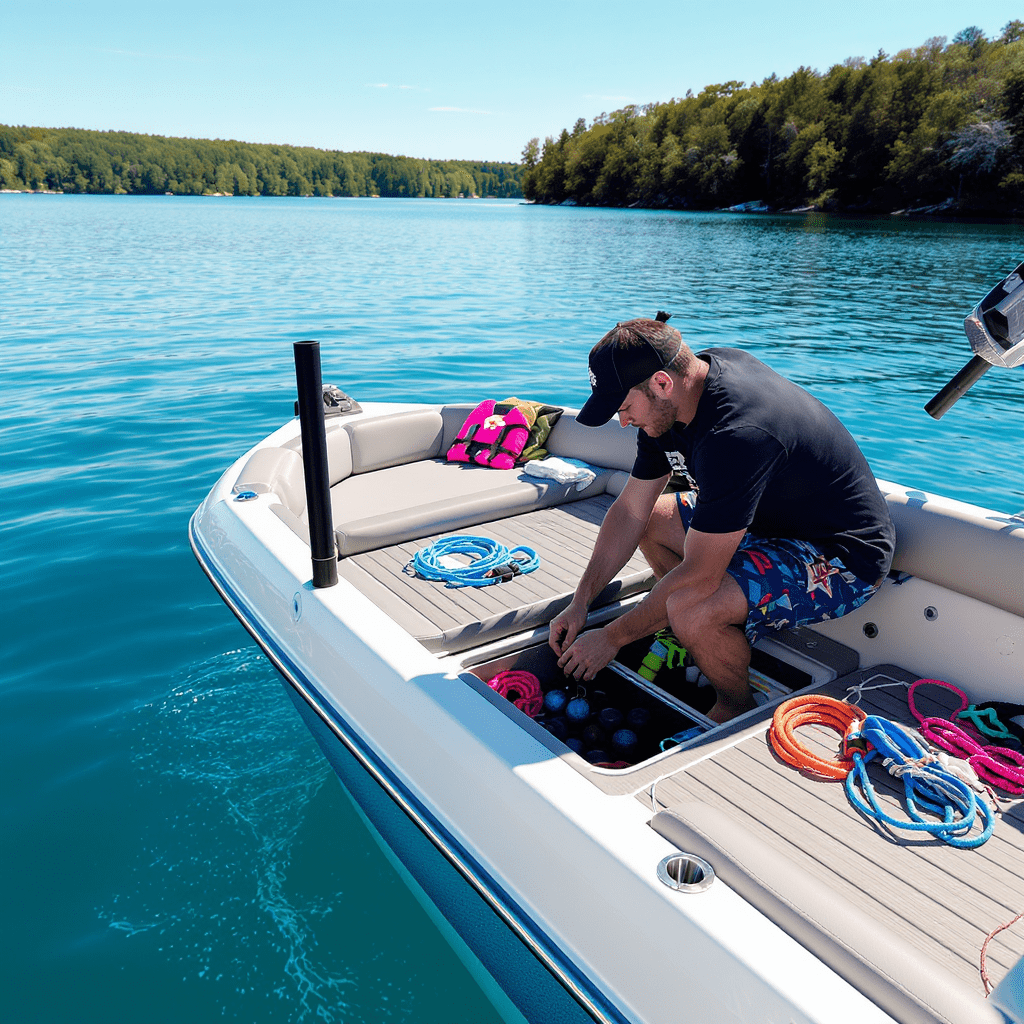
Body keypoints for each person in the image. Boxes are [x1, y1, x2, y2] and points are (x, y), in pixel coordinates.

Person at [549, 315, 895, 723]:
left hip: (840, 555)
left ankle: (733, 704)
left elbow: (700, 574)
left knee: (693, 605)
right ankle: (695, 634)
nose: (624, 422)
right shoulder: (682, 390)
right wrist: (580, 601)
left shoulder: (736, 434)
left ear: (661, 383)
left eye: (625, 408)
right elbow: (630, 511)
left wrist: (612, 637)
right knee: (655, 521)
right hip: (764, 523)